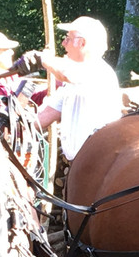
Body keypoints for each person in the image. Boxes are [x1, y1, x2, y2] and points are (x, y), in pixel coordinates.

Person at [36, 16, 122, 163]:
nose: (63, 43)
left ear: (82, 42)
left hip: (101, 163)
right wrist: (16, 129)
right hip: (81, 164)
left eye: (68, 38)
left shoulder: (99, 71)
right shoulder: (73, 82)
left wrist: (44, 60)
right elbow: (47, 114)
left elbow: (64, 73)